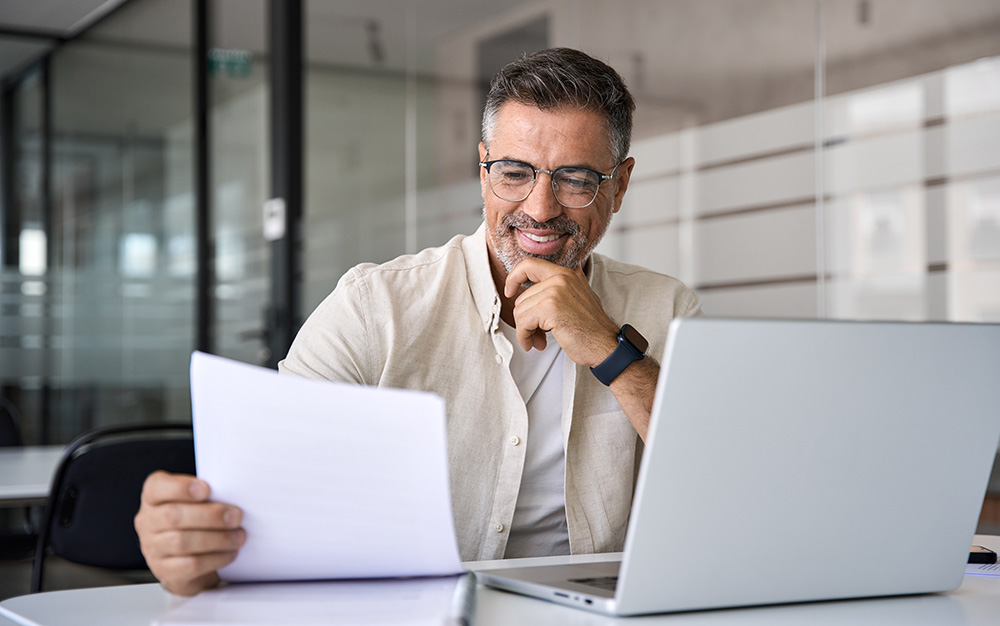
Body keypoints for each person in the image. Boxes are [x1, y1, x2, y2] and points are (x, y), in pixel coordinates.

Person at [134, 47, 701, 596]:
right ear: (483, 172)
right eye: (513, 172)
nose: (541, 207)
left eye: (575, 179)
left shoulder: (667, 309)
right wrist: (194, 552)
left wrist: (608, 347)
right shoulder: (373, 308)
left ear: (619, 185)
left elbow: (729, 488)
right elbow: (265, 506)